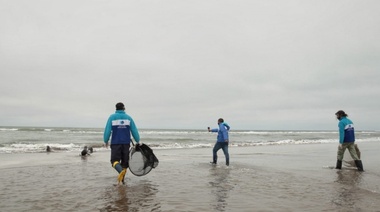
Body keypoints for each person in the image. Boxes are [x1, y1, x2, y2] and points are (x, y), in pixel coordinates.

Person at [104, 102, 140, 184]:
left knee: (114, 161)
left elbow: (107, 130)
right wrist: (138, 140)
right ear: (124, 108)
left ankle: (121, 173)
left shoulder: (112, 117)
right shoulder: (128, 118)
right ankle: (122, 180)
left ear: (116, 109)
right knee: (124, 162)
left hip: (115, 143)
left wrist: (106, 140)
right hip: (126, 143)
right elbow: (134, 130)